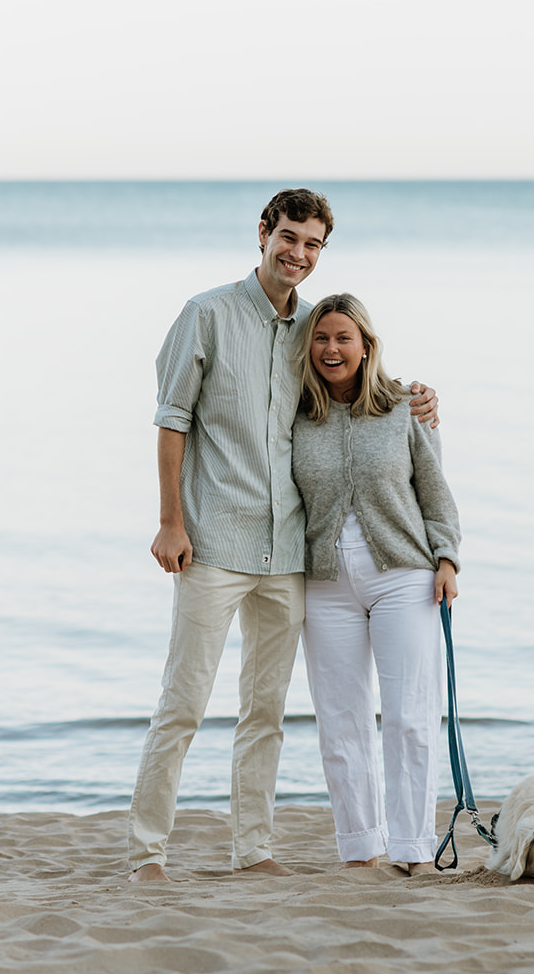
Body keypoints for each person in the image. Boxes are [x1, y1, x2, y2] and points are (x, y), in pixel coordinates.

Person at [127, 189, 438, 882]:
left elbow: (358, 383)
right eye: (288, 237)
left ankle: (253, 849)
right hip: (212, 542)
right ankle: (147, 852)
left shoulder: (312, 331)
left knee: (264, 711)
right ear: (263, 233)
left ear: (322, 251)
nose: (298, 253)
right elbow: (172, 420)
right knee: (183, 704)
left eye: (312, 243)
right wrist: (169, 521)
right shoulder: (205, 315)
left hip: (291, 552)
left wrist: (419, 400)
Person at [292, 292, 461, 876]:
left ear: (366, 346)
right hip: (324, 581)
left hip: (404, 576)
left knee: (411, 714)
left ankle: (413, 849)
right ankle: (361, 846)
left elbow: (434, 489)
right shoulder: (293, 412)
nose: (331, 349)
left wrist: (447, 558)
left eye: (343, 338)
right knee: (341, 720)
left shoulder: (405, 407)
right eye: (321, 338)